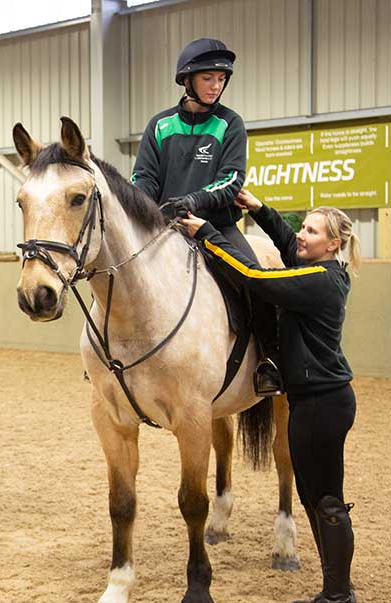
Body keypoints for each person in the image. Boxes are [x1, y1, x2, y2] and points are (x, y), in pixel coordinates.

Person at [181, 189, 362, 603]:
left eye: (312, 231)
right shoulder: (318, 268)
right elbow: (284, 242)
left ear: (333, 244)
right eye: (304, 227)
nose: (302, 235)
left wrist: (208, 233)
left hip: (322, 402)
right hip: (314, 399)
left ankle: (339, 598)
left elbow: (254, 278)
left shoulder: (319, 281)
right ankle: (334, 590)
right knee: (315, 496)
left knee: (327, 501)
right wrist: (259, 210)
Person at [132, 37, 281, 395]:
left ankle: (269, 362)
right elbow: (143, 178)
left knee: (256, 278)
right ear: (188, 80)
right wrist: (145, 208)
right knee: (122, 269)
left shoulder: (230, 124)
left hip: (218, 227)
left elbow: (232, 181)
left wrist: (192, 201)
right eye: (208, 79)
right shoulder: (160, 126)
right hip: (165, 227)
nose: (216, 86)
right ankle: (109, 357)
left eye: (220, 79)